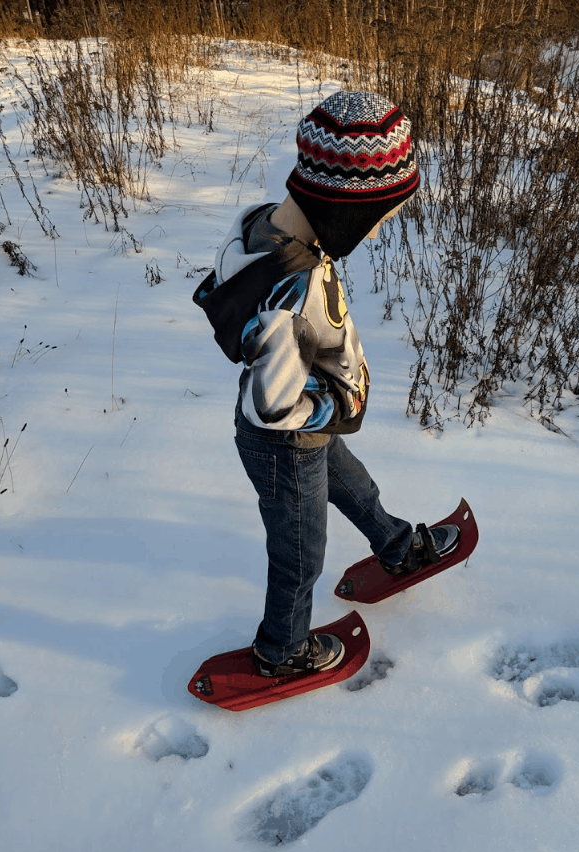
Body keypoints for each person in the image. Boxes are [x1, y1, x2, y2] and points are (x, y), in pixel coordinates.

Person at [193, 90, 459, 678]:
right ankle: (281, 651)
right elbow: (274, 407)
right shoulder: (290, 294)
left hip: (307, 435)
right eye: (381, 213)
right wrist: (338, 403)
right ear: (346, 209)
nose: (385, 222)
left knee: (358, 489)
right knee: (299, 555)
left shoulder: (263, 226)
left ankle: (395, 548)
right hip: (285, 442)